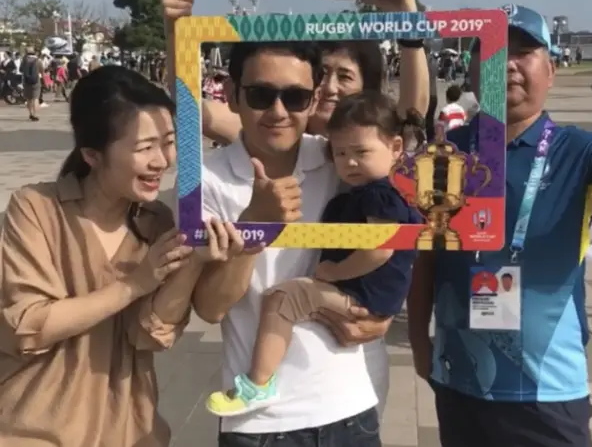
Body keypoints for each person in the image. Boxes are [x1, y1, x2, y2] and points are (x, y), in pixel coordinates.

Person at [408, 5, 592, 447]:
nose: (507, 63)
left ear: (550, 70)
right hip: (460, 383)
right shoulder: (444, 155)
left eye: (523, 51)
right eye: (492, 51)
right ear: (472, 71)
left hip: (548, 393)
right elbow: (424, 253)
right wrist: (420, 340)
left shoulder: (582, 150)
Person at [0, 65, 238, 446]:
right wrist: (134, 284)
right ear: (92, 154)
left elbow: (150, 336)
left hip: (131, 431)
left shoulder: (157, 222)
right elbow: (30, 325)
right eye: (145, 148)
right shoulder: (37, 208)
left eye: (169, 142)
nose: (163, 160)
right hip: (36, 431)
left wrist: (193, 263)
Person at [205, 92, 422, 417]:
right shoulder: (367, 189)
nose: (349, 162)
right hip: (363, 296)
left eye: (361, 152)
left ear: (394, 148)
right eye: (340, 152)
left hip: (364, 296)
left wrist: (335, 272)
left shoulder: (381, 195)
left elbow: (380, 248)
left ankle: (258, 384)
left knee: (282, 299)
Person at [161, 0, 429, 147]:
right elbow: (190, 108)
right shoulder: (280, 131)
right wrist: (177, 28)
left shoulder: (376, 137)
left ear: (366, 85)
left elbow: (413, 114)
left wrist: (406, 13)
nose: (330, 88)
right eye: (322, 74)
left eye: (345, 76)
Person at [20, 46, 41, 121]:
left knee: (29, 99)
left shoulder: (24, 60)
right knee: (35, 98)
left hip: (26, 81)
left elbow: (21, 70)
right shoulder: (37, 60)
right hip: (36, 81)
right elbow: (42, 69)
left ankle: (30, 113)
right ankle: (35, 114)